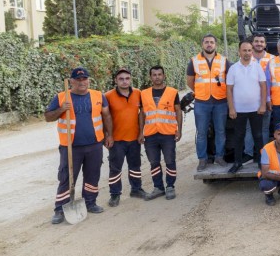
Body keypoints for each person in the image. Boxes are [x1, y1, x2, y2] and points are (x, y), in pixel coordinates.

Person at [45, 67, 113, 224]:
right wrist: (62, 109)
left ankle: (90, 203)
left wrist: (109, 135)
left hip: (94, 144)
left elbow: (107, 115)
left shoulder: (98, 96)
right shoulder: (62, 97)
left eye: (85, 79)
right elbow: (48, 117)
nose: (82, 82)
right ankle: (60, 209)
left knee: (92, 175)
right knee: (67, 177)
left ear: (89, 80)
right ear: (72, 81)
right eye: (79, 79)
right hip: (70, 147)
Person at [187, 34, 231, 171]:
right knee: (201, 132)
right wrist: (200, 92)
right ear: (202, 44)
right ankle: (202, 159)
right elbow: (190, 82)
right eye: (206, 42)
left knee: (220, 131)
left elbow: (229, 80)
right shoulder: (194, 61)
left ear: (215, 45)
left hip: (220, 101)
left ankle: (219, 157)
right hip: (202, 102)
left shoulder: (224, 60)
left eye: (212, 42)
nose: (209, 44)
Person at [105, 68, 148, 207]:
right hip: (116, 140)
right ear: (116, 81)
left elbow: (142, 113)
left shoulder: (138, 93)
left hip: (134, 138)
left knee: (135, 166)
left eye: (127, 78)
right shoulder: (108, 96)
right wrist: (107, 136)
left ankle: (136, 189)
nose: (125, 81)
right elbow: (104, 117)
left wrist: (141, 132)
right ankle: (115, 194)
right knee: (115, 168)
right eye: (121, 79)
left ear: (131, 79)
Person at [140, 66, 182, 200]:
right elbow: (142, 114)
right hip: (150, 134)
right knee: (154, 162)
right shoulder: (144, 93)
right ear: (150, 77)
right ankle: (158, 187)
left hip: (167, 133)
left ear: (164, 76)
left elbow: (178, 112)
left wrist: (179, 130)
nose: (157, 77)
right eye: (154, 75)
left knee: (170, 160)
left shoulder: (172, 92)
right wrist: (141, 132)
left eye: (159, 74)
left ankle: (170, 186)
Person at [227, 40, 267, 173]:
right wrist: (231, 108)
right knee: (239, 136)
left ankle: (261, 162)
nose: (247, 53)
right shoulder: (233, 68)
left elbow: (263, 86)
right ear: (239, 52)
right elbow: (229, 90)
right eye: (244, 50)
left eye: (250, 50)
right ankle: (238, 162)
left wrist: (262, 105)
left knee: (258, 136)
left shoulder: (257, 67)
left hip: (256, 109)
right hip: (239, 110)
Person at [243, 33, 274, 162]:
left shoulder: (273, 59)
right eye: (256, 41)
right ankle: (249, 153)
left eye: (262, 42)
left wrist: (269, 99)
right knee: (249, 127)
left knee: (264, 128)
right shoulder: (246, 58)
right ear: (252, 43)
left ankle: (263, 153)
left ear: (265, 44)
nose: (259, 44)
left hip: (266, 99)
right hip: (250, 99)